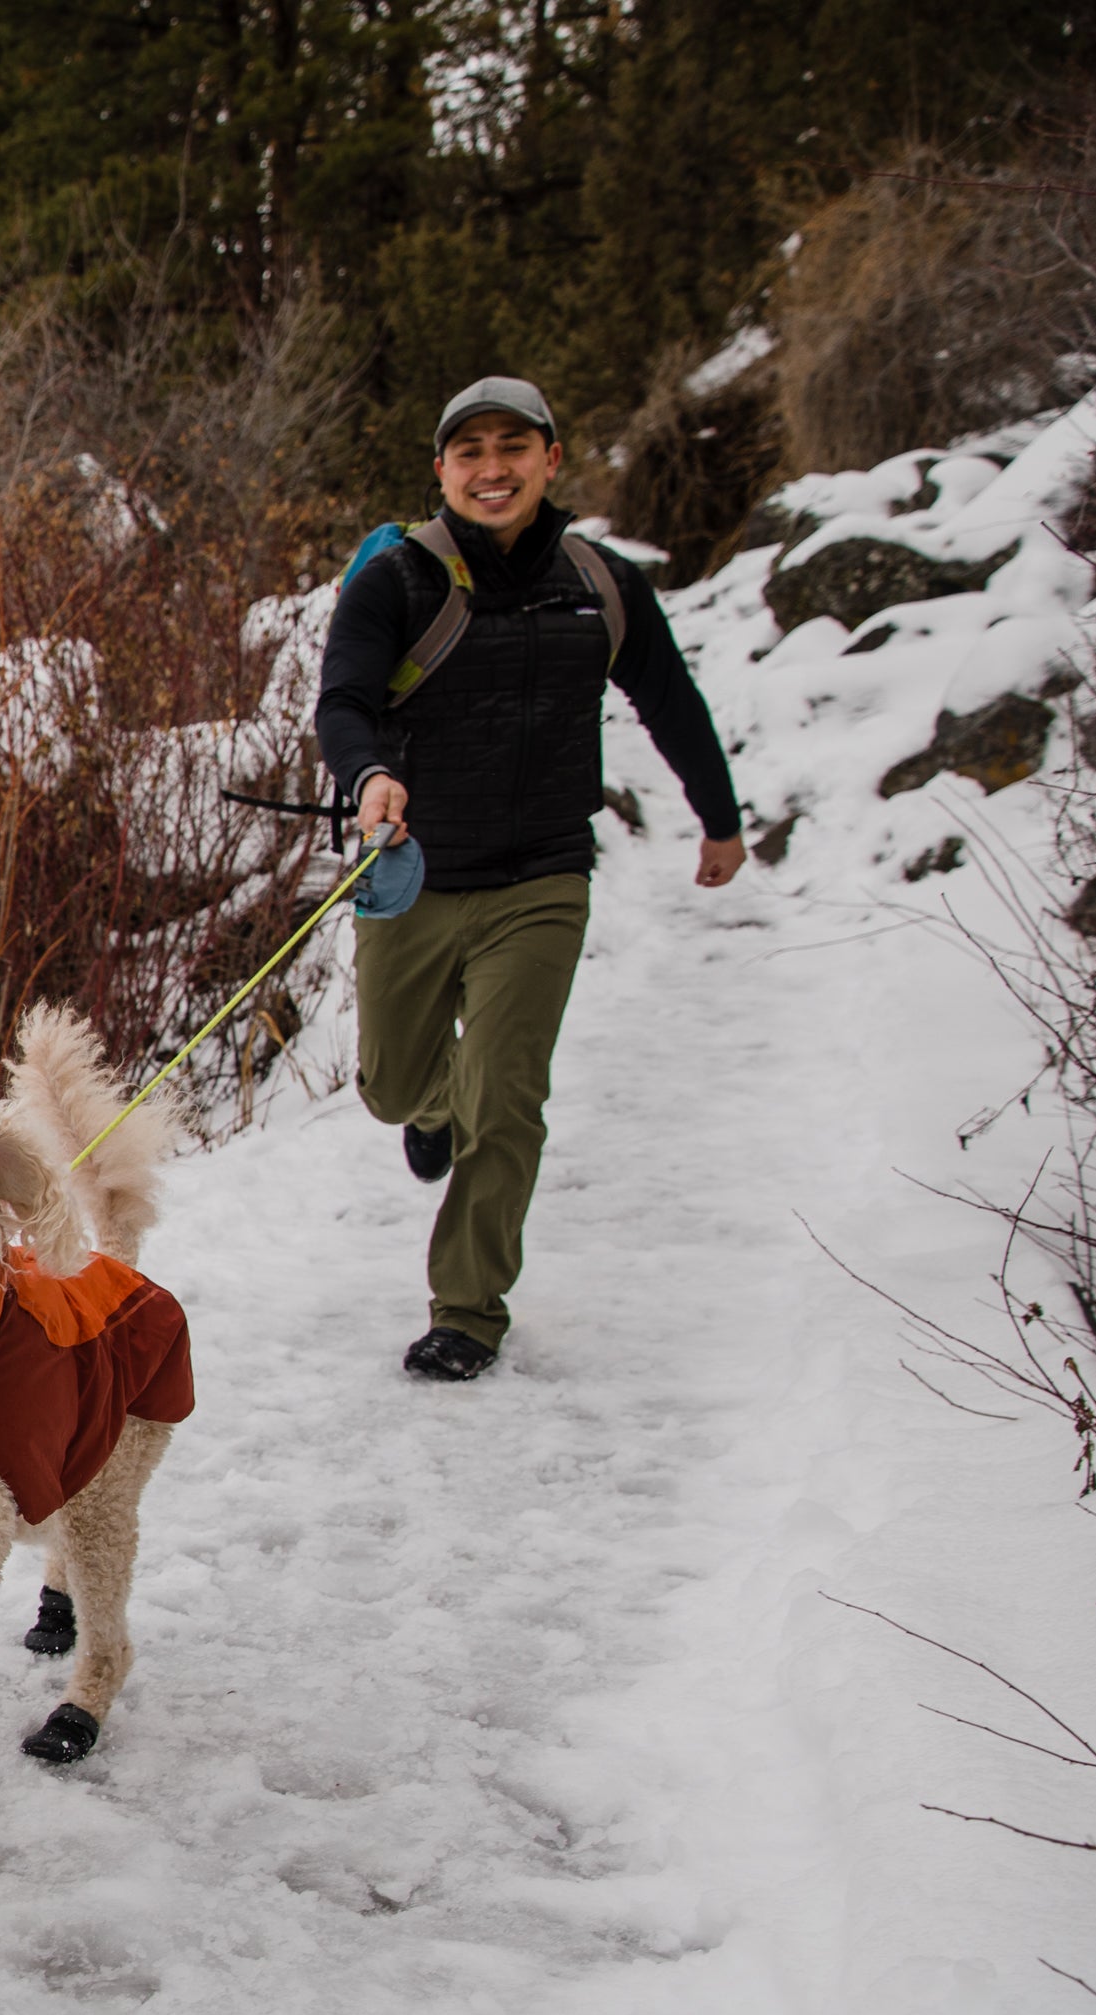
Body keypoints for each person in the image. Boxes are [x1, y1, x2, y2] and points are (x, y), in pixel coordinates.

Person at [314, 375, 745, 1382]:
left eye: (514, 446)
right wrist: (371, 774)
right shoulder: (398, 581)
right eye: (470, 451)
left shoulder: (600, 582)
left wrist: (719, 818)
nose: (492, 468)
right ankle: (430, 1108)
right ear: (442, 471)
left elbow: (670, 701)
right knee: (391, 1089)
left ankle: (468, 1310)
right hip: (412, 871)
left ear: (552, 460)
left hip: (542, 877)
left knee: (507, 1095)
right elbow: (344, 702)